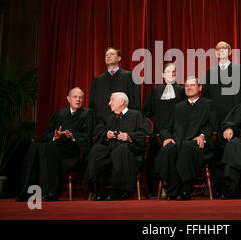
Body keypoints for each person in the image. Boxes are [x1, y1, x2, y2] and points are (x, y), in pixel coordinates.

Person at [16, 87, 95, 201]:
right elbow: (44, 136)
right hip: (55, 146)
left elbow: (88, 137)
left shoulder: (88, 113)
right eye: (75, 97)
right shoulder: (59, 113)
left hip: (71, 152)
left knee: (49, 147)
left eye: (81, 97)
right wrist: (55, 136)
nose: (78, 99)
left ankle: (51, 192)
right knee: (35, 146)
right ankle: (26, 191)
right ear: (68, 99)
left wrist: (73, 136)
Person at [154, 77, 218, 200]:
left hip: (197, 144)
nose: (188, 88)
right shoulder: (177, 107)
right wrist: (167, 138)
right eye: (186, 85)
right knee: (167, 151)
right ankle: (173, 190)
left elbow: (213, 125)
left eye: (192, 85)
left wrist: (203, 135)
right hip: (178, 142)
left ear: (200, 88)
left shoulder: (208, 104)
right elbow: (165, 127)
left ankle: (184, 189)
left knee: (187, 147)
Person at [202, 41, 241, 197]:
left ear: (230, 52)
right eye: (218, 49)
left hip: (236, 120)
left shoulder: (239, 70)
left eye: (224, 48)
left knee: (234, 151)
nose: (221, 51)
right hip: (216, 120)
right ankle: (220, 189)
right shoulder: (210, 73)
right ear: (215, 53)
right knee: (216, 154)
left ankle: (235, 188)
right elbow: (206, 99)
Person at [84, 92, 151, 201]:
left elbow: (146, 133)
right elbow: (97, 133)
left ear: (121, 102)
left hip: (129, 151)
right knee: (97, 149)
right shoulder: (109, 118)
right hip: (110, 149)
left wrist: (129, 137)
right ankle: (100, 189)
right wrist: (106, 134)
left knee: (121, 149)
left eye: (112, 100)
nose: (109, 103)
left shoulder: (136, 115)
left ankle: (119, 190)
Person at [142, 63, 186, 195]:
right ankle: (154, 189)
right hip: (158, 133)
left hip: (177, 132)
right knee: (152, 155)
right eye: (168, 71)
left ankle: (175, 187)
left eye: (173, 72)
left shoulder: (182, 90)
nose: (171, 74)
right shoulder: (155, 91)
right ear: (162, 75)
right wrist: (150, 130)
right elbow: (145, 113)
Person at [89, 47, 141, 125]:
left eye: (112, 54)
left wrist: (130, 119)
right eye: (106, 55)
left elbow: (135, 101)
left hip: (125, 123)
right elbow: (92, 104)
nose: (108, 56)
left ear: (119, 58)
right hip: (102, 124)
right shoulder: (97, 80)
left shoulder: (130, 76)